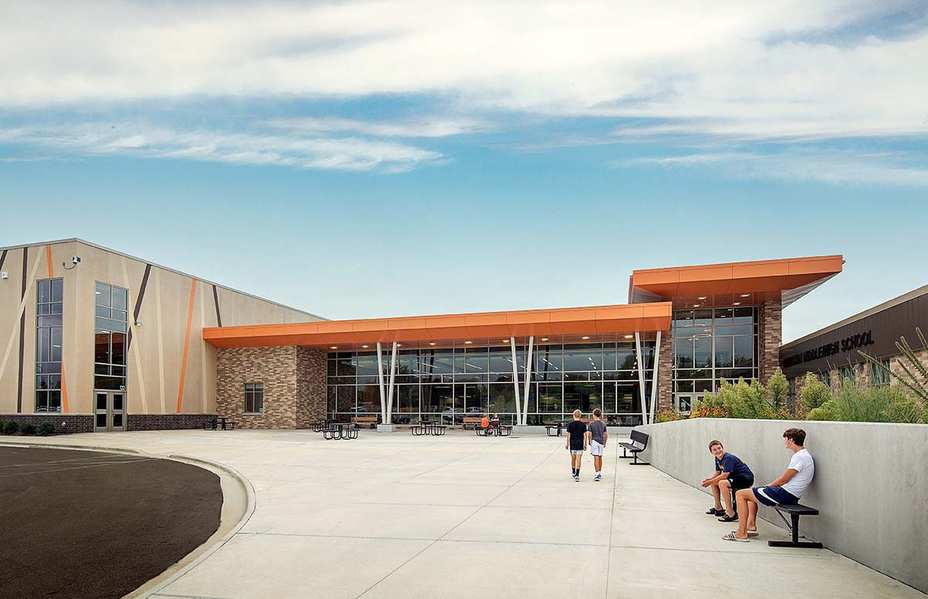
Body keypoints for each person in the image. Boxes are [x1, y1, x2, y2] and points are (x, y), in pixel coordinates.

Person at [723, 428, 815, 542]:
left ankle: (741, 533)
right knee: (750, 494)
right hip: (788, 493)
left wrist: (768, 487)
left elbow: (784, 480)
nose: (784, 441)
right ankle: (750, 527)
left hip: (785, 494)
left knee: (740, 494)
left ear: (791, 440)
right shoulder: (803, 455)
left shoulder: (800, 456)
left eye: (785, 439)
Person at [700, 440, 754, 522]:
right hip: (735, 478)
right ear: (711, 452)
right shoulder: (717, 458)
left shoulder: (728, 458)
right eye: (715, 450)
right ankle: (718, 508)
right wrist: (710, 480)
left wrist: (710, 481)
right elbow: (718, 472)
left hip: (745, 478)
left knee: (722, 483)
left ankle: (730, 513)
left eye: (719, 448)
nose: (718, 451)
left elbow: (725, 475)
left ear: (722, 448)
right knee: (714, 483)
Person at [565, 409, 588, 482]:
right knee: (579, 459)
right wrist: (585, 444)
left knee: (573, 459)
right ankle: (577, 474)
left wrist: (567, 444)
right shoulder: (583, 425)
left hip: (573, 444)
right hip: (580, 444)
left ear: (573, 415)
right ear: (580, 416)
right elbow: (585, 435)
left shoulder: (570, 424)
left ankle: (573, 471)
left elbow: (568, 435)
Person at [586, 408, 608, 482]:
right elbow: (605, 434)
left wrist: (589, 441)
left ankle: (597, 473)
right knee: (600, 456)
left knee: (596, 457)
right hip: (601, 442)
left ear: (594, 415)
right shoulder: (603, 424)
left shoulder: (591, 424)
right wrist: (605, 442)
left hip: (594, 441)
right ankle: (599, 472)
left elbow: (590, 434)